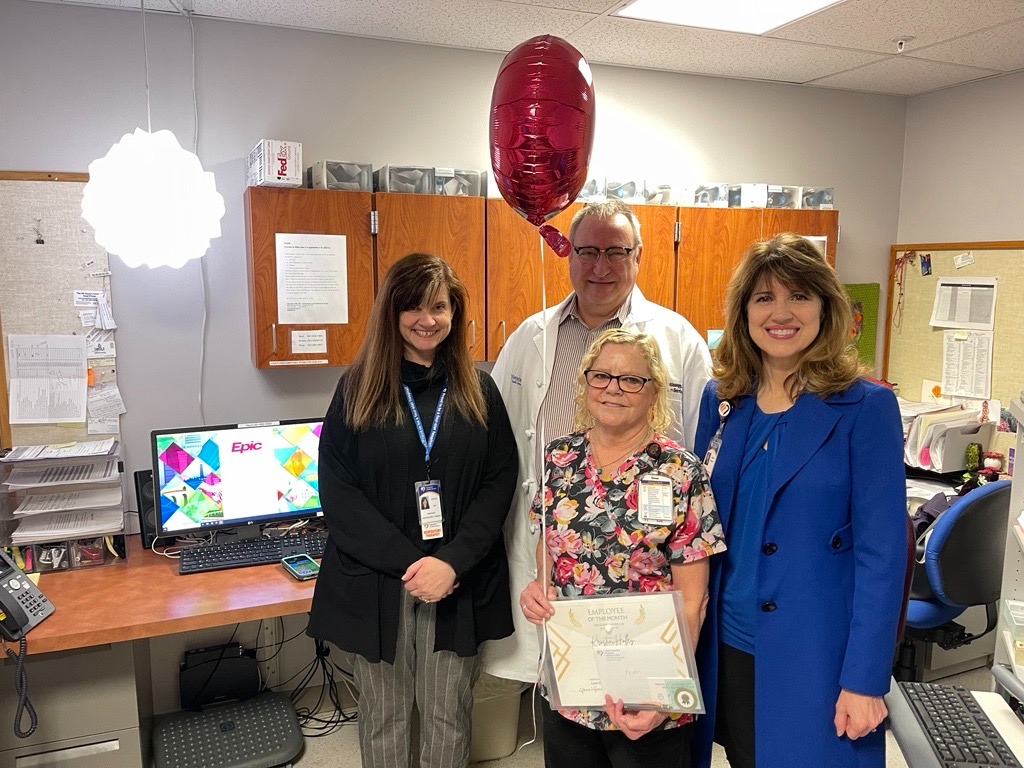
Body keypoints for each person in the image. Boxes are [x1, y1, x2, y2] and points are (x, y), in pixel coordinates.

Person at [691, 234, 907, 768]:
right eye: (763, 298)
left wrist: (865, 678)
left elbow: (883, 556)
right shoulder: (721, 402)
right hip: (725, 642)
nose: (780, 313)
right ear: (743, 312)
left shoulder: (866, 407)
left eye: (799, 296)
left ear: (825, 307)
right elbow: (693, 526)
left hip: (818, 650)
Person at [484, 199, 713, 685]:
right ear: (568, 254)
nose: (601, 267)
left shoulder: (678, 340)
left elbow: (703, 443)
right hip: (553, 545)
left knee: (636, 691)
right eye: (588, 251)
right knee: (567, 687)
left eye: (617, 252)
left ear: (639, 256)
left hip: (645, 558)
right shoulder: (530, 336)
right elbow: (494, 436)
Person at [307, 252, 519, 768]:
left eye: (440, 307)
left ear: (455, 313)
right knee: (384, 713)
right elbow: (338, 492)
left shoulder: (480, 391)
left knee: (450, 711)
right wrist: (410, 562)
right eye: (415, 308)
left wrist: (450, 563)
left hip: (456, 580)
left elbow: (499, 483)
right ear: (392, 313)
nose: (428, 320)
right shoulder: (358, 389)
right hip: (380, 580)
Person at [520, 328, 726, 768]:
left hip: (646, 693)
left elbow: (693, 602)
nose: (613, 388)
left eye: (631, 380)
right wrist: (536, 588)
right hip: (570, 683)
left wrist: (666, 699)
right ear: (586, 383)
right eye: (602, 376)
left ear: (653, 393)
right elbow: (548, 551)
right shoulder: (557, 460)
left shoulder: (680, 471)